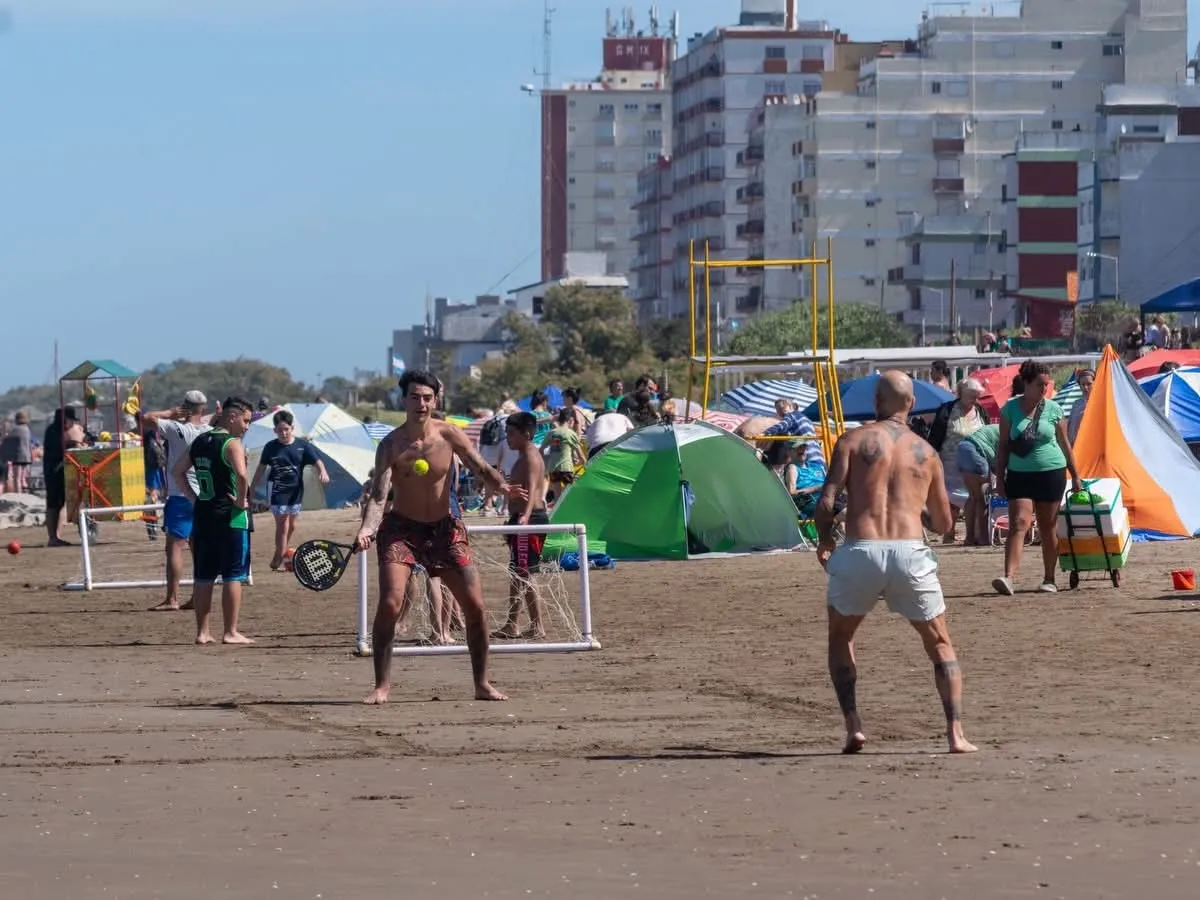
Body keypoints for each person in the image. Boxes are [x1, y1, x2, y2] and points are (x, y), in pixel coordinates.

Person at [814, 370, 977, 755]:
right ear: (911, 404)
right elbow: (944, 524)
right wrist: (915, 509)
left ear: (876, 403)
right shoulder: (927, 452)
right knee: (940, 643)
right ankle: (955, 734)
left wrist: (825, 539)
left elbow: (826, 501)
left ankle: (854, 726)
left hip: (861, 549)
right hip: (909, 552)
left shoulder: (852, 441)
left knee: (841, 637)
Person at [354, 369, 522, 704]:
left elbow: (479, 467)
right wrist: (367, 528)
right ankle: (382, 685)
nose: (421, 404)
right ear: (404, 400)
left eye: (427, 398)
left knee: (475, 607)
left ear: (436, 400)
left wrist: (500, 484)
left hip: (445, 530)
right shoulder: (390, 445)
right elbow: (379, 496)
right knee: (390, 602)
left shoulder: (449, 434)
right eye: (415, 397)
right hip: (402, 531)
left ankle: (482, 684)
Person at [992, 359, 1083, 596]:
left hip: (1051, 472)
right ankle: (1009, 577)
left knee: (1047, 526)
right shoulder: (1010, 409)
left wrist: (1075, 475)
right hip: (1019, 474)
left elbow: (1065, 444)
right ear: (1027, 383)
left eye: (1046, 385)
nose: (1044, 389)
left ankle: (1049, 578)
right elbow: (1003, 446)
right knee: (1018, 523)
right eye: (1039, 385)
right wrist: (999, 478)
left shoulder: (1053, 409)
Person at [174, 396, 255, 645]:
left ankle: (202, 632)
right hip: (230, 517)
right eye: (246, 421)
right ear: (232, 417)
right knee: (233, 574)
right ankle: (230, 631)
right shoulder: (232, 443)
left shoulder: (200, 441)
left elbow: (177, 471)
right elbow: (242, 476)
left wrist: (193, 498)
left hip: (203, 515)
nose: (247, 427)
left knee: (204, 575)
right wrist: (241, 500)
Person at [142, 392, 212, 612]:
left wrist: (170, 412)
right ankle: (197, 597)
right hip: (203, 494)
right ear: (203, 408)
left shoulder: (176, 428)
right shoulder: (209, 431)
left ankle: (172, 598)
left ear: (185, 406)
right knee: (198, 548)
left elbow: (145, 418)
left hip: (180, 494)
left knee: (174, 547)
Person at [249, 409, 330, 571]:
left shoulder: (302, 445)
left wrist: (323, 472)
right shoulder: (270, 447)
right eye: (280, 430)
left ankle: (281, 550)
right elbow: (260, 469)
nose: (284, 433)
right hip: (276, 490)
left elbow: (317, 461)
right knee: (283, 523)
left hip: (295, 491)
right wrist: (252, 488)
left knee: (292, 526)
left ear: (292, 428)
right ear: (275, 431)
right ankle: (280, 555)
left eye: (286, 429)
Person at [493, 411, 549, 640]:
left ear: (526, 433)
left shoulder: (531, 457)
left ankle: (537, 626)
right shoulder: (522, 456)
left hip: (530, 519)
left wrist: (524, 516)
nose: (508, 438)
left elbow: (534, 487)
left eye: (511, 433)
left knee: (525, 573)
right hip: (521, 519)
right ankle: (512, 623)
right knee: (518, 573)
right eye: (507, 433)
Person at [927, 378, 990, 544]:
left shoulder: (980, 411)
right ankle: (949, 532)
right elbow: (935, 438)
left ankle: (972, 534)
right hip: (950, 464)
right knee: (950, 500)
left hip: (973, 463)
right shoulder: (947, 410)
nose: (975, 400)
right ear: (961, 393)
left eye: (977, 396)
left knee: (973, 497)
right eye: (972, 396)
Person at [956, 423, 1000, 546]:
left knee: (973, 496)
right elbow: (999, 461)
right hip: (976, 451)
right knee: (983, 497)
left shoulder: (997, 428)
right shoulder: (1009, 433)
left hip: (962, 449)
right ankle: (983, 537)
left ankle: (969, 537)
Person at [42, 408, 75, 547]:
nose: (72, 424)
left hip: (58, 471)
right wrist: (72, 442)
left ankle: (56, 536)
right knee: (53, 505)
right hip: (53, 472)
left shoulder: (56, 430)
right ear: (65, 420)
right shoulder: (54, 432)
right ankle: (52, 537)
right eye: (71, 420)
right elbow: (59, 449)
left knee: (60, 504)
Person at [544, 408, 584, 504]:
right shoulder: (571, 433)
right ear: (570, 420)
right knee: (568, 494)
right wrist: (583, 462)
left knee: (557, 496)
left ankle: (557, 512)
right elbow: (581, 455)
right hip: (566, 467)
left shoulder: (551, 433)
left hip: (553, 467)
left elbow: (541, 449)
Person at [2, 411, 33, 493]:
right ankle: (22, 492)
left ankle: (18, 495)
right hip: (26, 457)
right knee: (22, 478)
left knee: (17, 478)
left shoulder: (17, 429)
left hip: (18, 457)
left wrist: (4, 432)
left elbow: (7, 439)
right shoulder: (26, 429)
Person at [1065, 367, 1095, 446]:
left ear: (1095, 383)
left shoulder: (1100, 403)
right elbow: (1071, 429)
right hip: (1075, 447)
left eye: (1089, 384)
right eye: (1083, 384)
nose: (1085, 387)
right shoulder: (1076, 404)